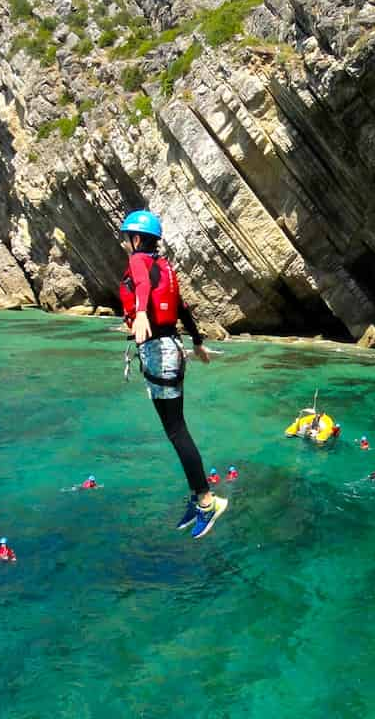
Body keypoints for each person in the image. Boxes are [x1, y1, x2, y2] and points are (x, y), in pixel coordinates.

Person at [119, 210, 228, 539]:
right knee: (176, 430)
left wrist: (139, 313)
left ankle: (208, 501)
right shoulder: (163, 268)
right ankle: (199, 496)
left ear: (137, 239)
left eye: (128, 238)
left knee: (177, 432)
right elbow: (181, 307)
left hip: (159, 352)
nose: (127, 244)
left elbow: (138, 282)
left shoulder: (140, 261)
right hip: (173, 348)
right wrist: (197, 342)